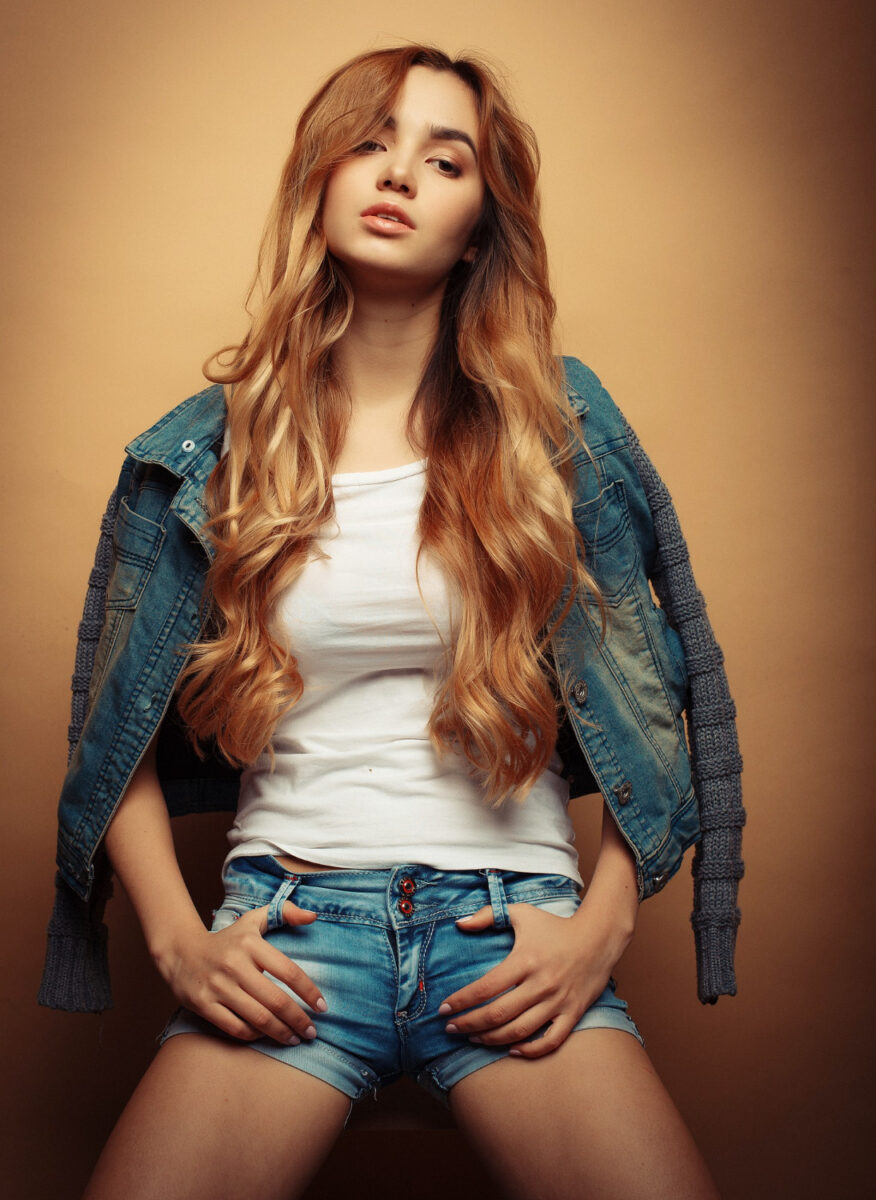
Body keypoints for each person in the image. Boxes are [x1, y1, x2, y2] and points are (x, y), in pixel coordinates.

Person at [39, 44, 743, 1200]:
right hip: (292, 930)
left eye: (443, 157)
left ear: (477, 226)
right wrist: (179, 940)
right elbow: (111, 738)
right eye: (370, 143)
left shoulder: (558, 436)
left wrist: (599, 935)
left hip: (508, 932)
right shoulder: (199, 456)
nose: (398, 174)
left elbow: (662, 704)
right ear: (320, 183)